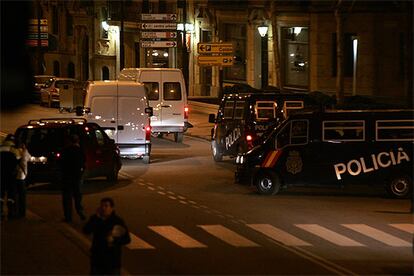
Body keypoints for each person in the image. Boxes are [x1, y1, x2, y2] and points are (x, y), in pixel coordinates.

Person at [83, 197, 131, 275]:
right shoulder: (95, 218)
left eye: (106, 206)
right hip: (97, 260)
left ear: (111, 208)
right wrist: (96, 218)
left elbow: (127, 239)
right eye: (102, 206)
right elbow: (86, 230)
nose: (103, 208)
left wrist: (114, 240)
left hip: (112, 261)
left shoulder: (117, 221)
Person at [60, 134, 86, 222]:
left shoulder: (66, 150)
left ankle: (68, 217)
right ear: (77, 141)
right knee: (78, 195)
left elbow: (61, 163)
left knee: (67, 197)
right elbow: (84, 162)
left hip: (67, 176)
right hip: (77, 176)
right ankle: (80, 211)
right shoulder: (80, 150)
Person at [0, 134, 19, 219]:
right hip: (11, 176)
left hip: (1, 175)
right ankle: (11, 213)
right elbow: (19, 162)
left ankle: (0, 212)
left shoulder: (0, 148)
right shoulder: (14, 150)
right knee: (11, 194)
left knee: (0, 194)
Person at [15, 142, 31, 218]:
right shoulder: (25, 152)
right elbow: (29, 158)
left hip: (16, 176)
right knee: (22, 196)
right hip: (22, 176)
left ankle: (17, 212)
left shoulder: (15, 151)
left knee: (16, 195)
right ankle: (22, 213)